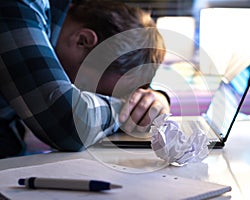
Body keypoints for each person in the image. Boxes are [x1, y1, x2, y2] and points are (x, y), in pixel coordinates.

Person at [0, 0, 170, 158]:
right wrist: (127, 111)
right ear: (83, 40)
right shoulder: (20, 7)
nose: (90, 101)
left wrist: (154, 100)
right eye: (90, 92)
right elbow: (68, 121)